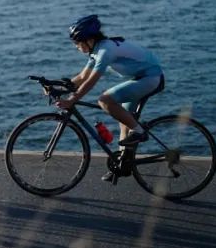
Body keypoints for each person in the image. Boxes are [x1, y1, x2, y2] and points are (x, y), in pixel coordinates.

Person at [56, 14, 164, 180]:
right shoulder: (97, 50)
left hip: (151, 77)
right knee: (125, 122)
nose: (76, 47)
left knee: (104, 100)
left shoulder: (105, 51)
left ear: (89, 40)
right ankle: (123, 165)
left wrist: (72, 100)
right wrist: (57, 88)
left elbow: (91, 82)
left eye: (77, 43)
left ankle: (140, 132)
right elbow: (82, 77)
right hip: (140, 78)